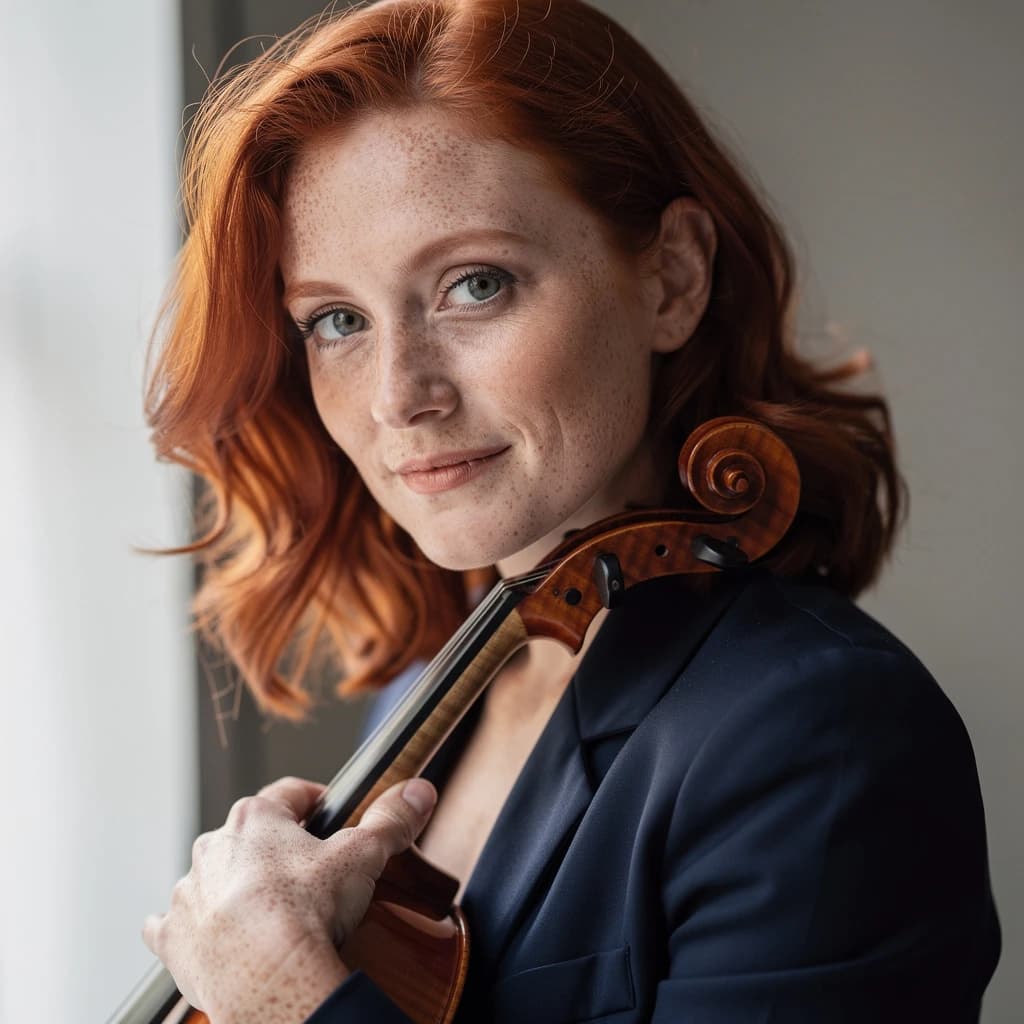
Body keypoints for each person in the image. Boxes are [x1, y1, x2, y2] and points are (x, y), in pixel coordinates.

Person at [139, 0, 1001, 1020]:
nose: (397, 395)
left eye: (474, 284)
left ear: (672, 279)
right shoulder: (437, 689)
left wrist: (292, 998)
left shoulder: (818, 737)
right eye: (335, 320)